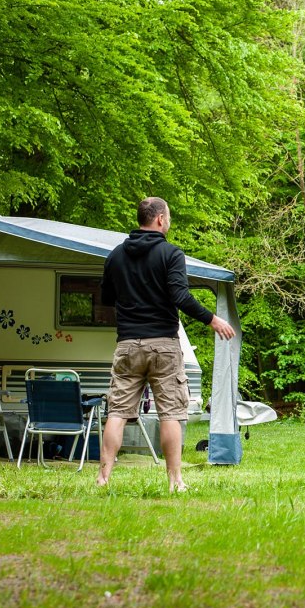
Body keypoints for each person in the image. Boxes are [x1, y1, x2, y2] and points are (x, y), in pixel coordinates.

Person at [97, 198, 235, 492]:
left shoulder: (116, 256)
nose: (168, 221)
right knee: (170, 412)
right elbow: (180, 297)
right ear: (159, 219)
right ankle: (175, 481)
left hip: (127, 345)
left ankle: (103, 478)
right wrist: (213, 320)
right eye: (168, 217)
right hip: (163, 345)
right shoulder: (171, 254)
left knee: (118, 412)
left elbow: (107, 298)